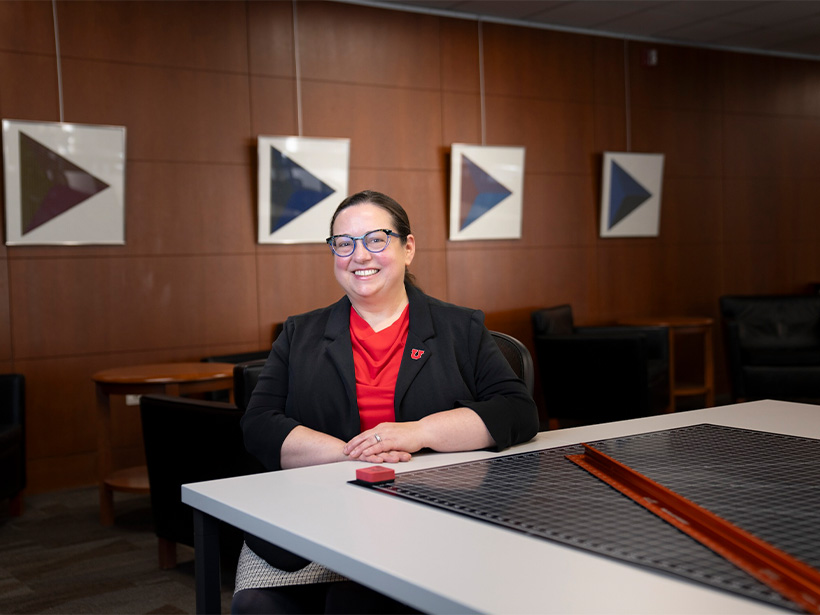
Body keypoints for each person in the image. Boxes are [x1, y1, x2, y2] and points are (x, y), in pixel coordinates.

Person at [232, 190, 539, 614]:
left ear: (407, 247)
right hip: (317, 517)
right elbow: (259, 423)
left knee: (355, 602)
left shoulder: (459, 327)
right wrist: (357, 454)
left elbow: (517, 410)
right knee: (257, 606)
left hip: (429, 515)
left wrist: (416, 433)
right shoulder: (299, 333)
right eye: (344, 243)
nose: (360, 255)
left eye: (376, 239)